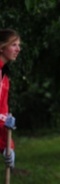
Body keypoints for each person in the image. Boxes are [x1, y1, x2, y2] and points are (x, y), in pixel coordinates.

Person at [0, 29, 20, 168]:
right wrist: (3, 119)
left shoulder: (4, 78)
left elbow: (3, 111)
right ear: (1, 47)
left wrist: (7, 147)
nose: (18, 49)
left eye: (19, 45)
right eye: (14, 45)